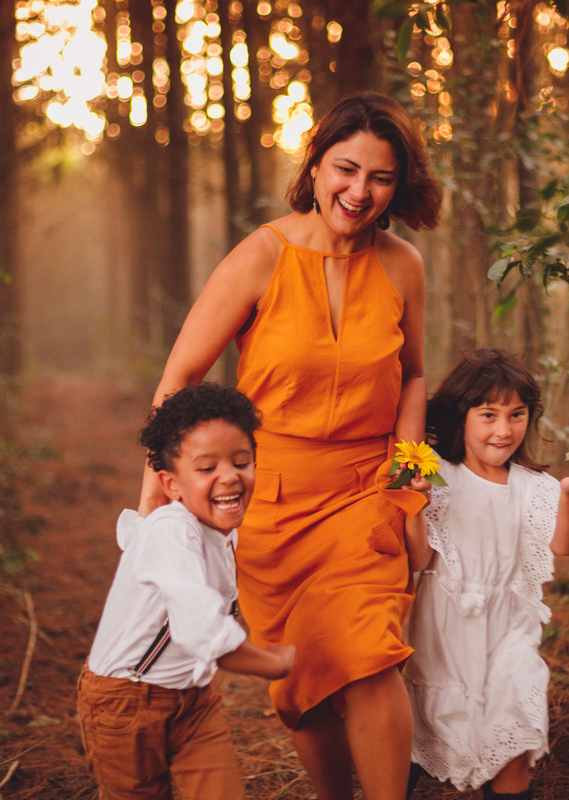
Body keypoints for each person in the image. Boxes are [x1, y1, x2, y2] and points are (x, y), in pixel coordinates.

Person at [137, 92, 442, 800]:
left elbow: (416, 375)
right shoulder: (260, 256)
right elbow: (179, 378)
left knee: (368, 655)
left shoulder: (403, 265)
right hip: (269, 505)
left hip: (368, 492)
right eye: (346, 169)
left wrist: (409, 483)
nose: (359, 192)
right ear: (314, 165)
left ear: (400, 186)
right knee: (297, 679)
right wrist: (161, 497)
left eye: (381, 178)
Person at [78, 383, 296, 800]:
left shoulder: (217, 527)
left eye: (242, 461)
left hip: (193, 703)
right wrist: (272, 663)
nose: (229, 476)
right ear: (171, 484)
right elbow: (202, 632)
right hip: (125, 705)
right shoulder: (172, 530)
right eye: (206, 467)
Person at [402, 349, 569, 799]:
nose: (503, 430)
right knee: (417, 738)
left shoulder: (534, 487)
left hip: (508, 635)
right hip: (441, 639)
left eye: (517, 415)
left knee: (514, 733)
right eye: (488, 414)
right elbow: (416, 560)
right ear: (462, 416)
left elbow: (564, 545)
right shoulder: (439, 477)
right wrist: (413, 505)